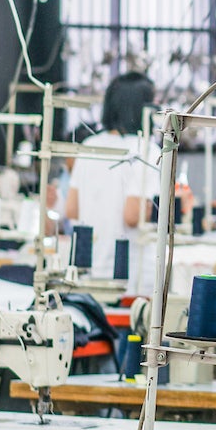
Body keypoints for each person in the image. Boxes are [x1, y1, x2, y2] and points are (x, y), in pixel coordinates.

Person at [64, 72, 160, 283]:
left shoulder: (89, 146)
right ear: (144, 109)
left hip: (89, 269)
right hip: (133, 274)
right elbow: (132, 215)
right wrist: (174, 209)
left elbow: (71, 209)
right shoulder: (147, 150)